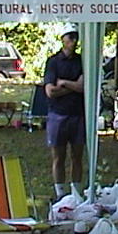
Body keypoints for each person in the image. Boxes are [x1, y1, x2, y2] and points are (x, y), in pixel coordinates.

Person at [43, 24, 85, 200]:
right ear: (63, 39)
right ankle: (60, 193)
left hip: (78, 114)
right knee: (58, 157)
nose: (74, 41)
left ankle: (76, 193)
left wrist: (64, 83)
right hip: (57, 114)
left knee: (77, 156)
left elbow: (83, 87)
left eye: (75, 37)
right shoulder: (53, 61)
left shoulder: (82, 60)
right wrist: (73, 86)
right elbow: (50, 91)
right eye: (70, 37)